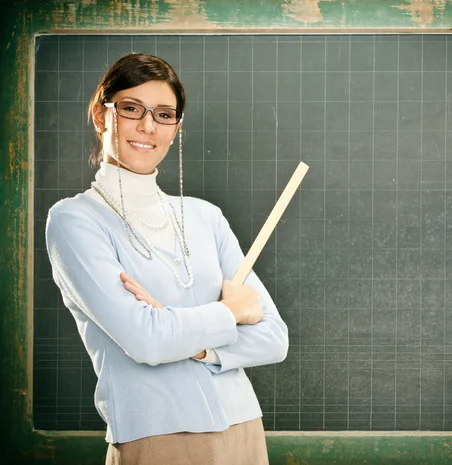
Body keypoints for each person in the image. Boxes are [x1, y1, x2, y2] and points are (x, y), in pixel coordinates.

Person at [45, 53, 288, 465]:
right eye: (130, 109)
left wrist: (192, 344)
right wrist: (230, 312)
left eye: (163, 114)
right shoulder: (74, 220)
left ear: (176, 129)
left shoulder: (205, 216)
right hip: (157, 437)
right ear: (101, 116)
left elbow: (274, 338)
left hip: (244, 430)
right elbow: (147, 341)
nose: (147, 126)